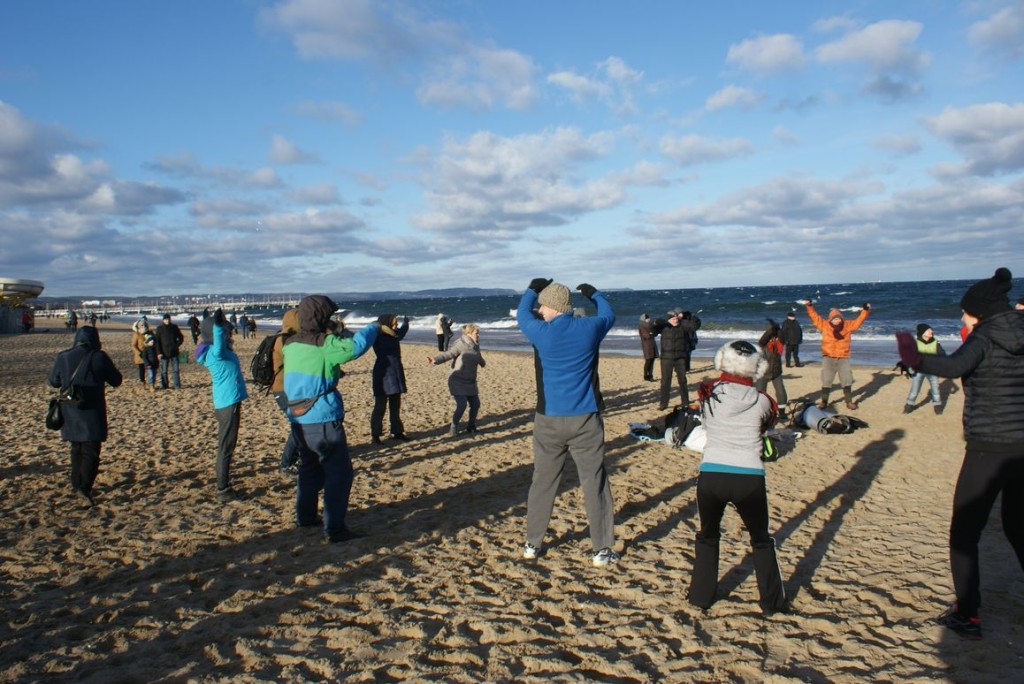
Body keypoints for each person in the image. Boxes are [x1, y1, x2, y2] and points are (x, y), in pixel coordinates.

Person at [897, 267, 1024, 640]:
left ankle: (967, 615)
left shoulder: (984, 336)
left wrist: (914, 358)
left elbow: (954, 367)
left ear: (979, 311)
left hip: (989, 447)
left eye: (965, 312)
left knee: (964, 533)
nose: (963, 318)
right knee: (1018, 526)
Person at [516, 279, 618, 567]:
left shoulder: (540, 332)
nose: (540, 310)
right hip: (585, 419)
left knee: (543, 482)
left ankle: (532, 544)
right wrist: (594, 294)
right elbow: (609, 314)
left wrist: (532, 289)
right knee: (594, 481)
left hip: (549, 420)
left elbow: (522, 314)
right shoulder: (590, 328)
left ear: (555, 307)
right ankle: (601, 550)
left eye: (543, 306)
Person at [688, 340, 787, 614]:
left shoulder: (708, 393)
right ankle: (772, 603)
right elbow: (767, 423)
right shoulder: (763, 400)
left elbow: (705, 419)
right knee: (761, 539)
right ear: (756, 367)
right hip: (749, 476)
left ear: (723, 360)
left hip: (712, 473)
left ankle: (701, 597)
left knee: (708, 536)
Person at [282, 295, 379, 542]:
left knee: (309, 467)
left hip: (298, 418)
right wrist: (374, 326)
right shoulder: (325, 345)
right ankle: (334, 529)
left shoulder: (290, 344)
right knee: (339, 473)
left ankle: (305, 517)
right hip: (322, 418)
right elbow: (355, 347)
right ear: (321, 318)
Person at [48, 325, 123, 506]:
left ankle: (76, 484)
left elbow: (54, 381)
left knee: (76, 448)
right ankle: (84, 487)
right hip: (92, 409)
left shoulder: (63, 356)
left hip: (70, 409)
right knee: (91, 450)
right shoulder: (99, 357)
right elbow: (116, 380)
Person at [195, 309, 249, 501]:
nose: (229, 333)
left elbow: (218, 340)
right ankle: (223, 489)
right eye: (226, 331)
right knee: (226, 446)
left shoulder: (215, 351)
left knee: (226, 445)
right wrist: (218, 326)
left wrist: (217, 324)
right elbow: (218, 340)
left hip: (225, 401)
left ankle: (223, 483)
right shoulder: (216, 352)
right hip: (228, 403)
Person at [804, 299, 870, 410]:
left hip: (843, 357)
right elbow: (814, 317)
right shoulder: (824, 325)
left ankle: (849, 402)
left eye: (838, 318)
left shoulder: (848, 325)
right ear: (830, 319)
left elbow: (859, 321)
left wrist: (865, 310)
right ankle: (824, 402)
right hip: (828, 357)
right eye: (834, 319)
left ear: (841, 318)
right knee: (826, 380)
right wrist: (809, 306)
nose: (837, 321)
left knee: (847, 379)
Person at [428, 323, 486, 437]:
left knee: (475, 404)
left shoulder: (476, 344)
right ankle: (453, 427)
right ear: (469, 333)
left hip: (470, 381)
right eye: (476, 333)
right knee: (462, 404)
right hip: (457, 381)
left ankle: (471, 426)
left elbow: (478, 356)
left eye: (478, 333)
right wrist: (436, 360)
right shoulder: (461, 344)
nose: (478, 335)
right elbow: (448, 354)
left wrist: (482, 363)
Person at [370, 313, 410, 444]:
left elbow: (402, 331)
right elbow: (360, 338)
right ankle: (375, 435)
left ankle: (397, 432)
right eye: (394, 323)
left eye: (397, 323)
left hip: (396, 372)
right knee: (380, 406)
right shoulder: (377, 335)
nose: (396, 325)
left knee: (395, 405)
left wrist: (406, 322)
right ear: (386, 323)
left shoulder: (395, 334)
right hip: (383, 372)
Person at [651, 308, 702, 411]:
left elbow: (695, 326)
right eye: (673, 318)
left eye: (676, 317)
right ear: (669, 319)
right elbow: (652, 330)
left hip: (680, 357)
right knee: (665, 382)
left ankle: (685, 402)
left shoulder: (683, 325)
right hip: (666, 358)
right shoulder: (663, 326)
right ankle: (663, 404)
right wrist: (656, 323)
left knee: (682, 380)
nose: (675, 319)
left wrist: (692, 317)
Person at [272, 309, 302, 474]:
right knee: (299, 425)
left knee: (300, 424)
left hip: (287, 388)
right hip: (283, 389)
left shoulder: (287, 337)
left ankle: (295, 457)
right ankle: (287, 462)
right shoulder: (284, 340)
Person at [903, 323, 945, 415]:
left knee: (935, 389)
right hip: (918, 370)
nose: (931, 331)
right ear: (922, 332)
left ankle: (937, 407)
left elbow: (942, 354)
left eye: (931, 329)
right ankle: (908, 406)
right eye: (928, 330)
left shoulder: (935, 341)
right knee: (915, 390)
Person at [756, 320, 789, 416]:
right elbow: (764, 338)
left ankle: (782, 412)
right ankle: (761, 412)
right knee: (760, 393)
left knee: (780, 392)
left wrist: (778, 329)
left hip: (776, 372)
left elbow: (782, 337)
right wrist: (772, 329)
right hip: (763, 372)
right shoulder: (763, 344)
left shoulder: (779, 344)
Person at [154, 313, 185, 389]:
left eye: (168, 319)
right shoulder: (159, 328)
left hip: (174, 352)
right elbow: (157, 342)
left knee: (176, 370)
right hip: (164, 353)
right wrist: (159, 353)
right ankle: (165, 385)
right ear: (163, 320)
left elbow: (181, 337)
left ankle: (176, 385)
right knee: (164, 371)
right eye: (165, 319)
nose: (167, 321)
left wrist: (176, 345)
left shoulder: (174, 327)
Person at [638, 314, 658, 382]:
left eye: (649, 318)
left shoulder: (650, 325)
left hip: (652, 344)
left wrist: (652, 333)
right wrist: (651, 333)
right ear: (644, 319)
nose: (649, 319)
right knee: (648, 361)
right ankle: (646, 376)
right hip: (647, 346)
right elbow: (646, 335)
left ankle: (651, 375)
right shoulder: (642, 326)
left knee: (652, 360)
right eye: (647, 318)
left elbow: (655, 333)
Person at [130, 319, 148, 388]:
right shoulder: (136, 334)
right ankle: (142, 382)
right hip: (140, 355)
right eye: (141, 325)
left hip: (148, 354)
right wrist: (139, 353)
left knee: (150, 369)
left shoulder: (148, 333)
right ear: (138, 326)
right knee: (142, 370)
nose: (143, 326)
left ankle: (151, 383)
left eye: (144, 325)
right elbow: (133, 345)